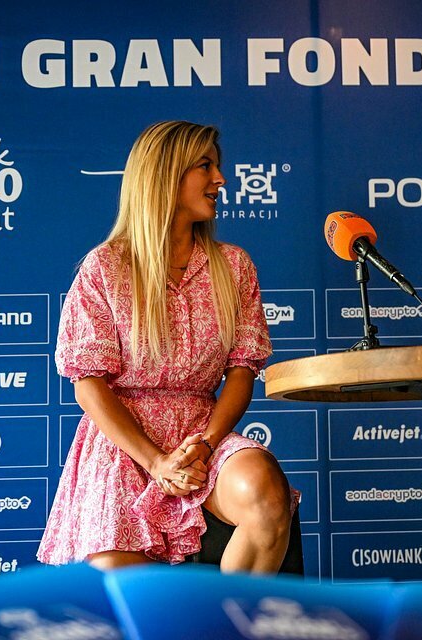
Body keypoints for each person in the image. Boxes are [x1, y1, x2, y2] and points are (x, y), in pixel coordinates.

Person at [37, 121, 297, 573]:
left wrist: (205, 446)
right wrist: (157, 462)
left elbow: (242, 371)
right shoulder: (105, 266)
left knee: (265, 492)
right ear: (166, 175)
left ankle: (225, 613)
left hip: (203, 434)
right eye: (205, 166)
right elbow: (88, 383)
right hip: (123, 444)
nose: (221, 179)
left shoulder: (234, 265)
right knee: (118, 575)